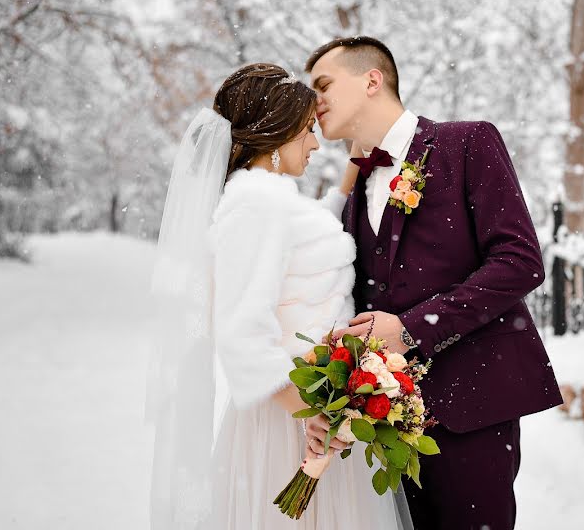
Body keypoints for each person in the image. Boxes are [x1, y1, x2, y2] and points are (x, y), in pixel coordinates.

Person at [305, 37, 564, 530]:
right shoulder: (355, 188)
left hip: (474, 406)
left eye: (324, 84)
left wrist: (409, 329)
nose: (314, 100)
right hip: (390, 423)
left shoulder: (467, 143)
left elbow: (520, 261)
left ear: (371, 80)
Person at [148, 63, 406, 529]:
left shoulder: (272, 199)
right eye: (307, 130)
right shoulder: (255, 206)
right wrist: (314, 415)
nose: (314, 143)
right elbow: (241, 335)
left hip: (312, 411)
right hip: (289, 420)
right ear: (276, 133)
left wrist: (354, 167)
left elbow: (308, 240)